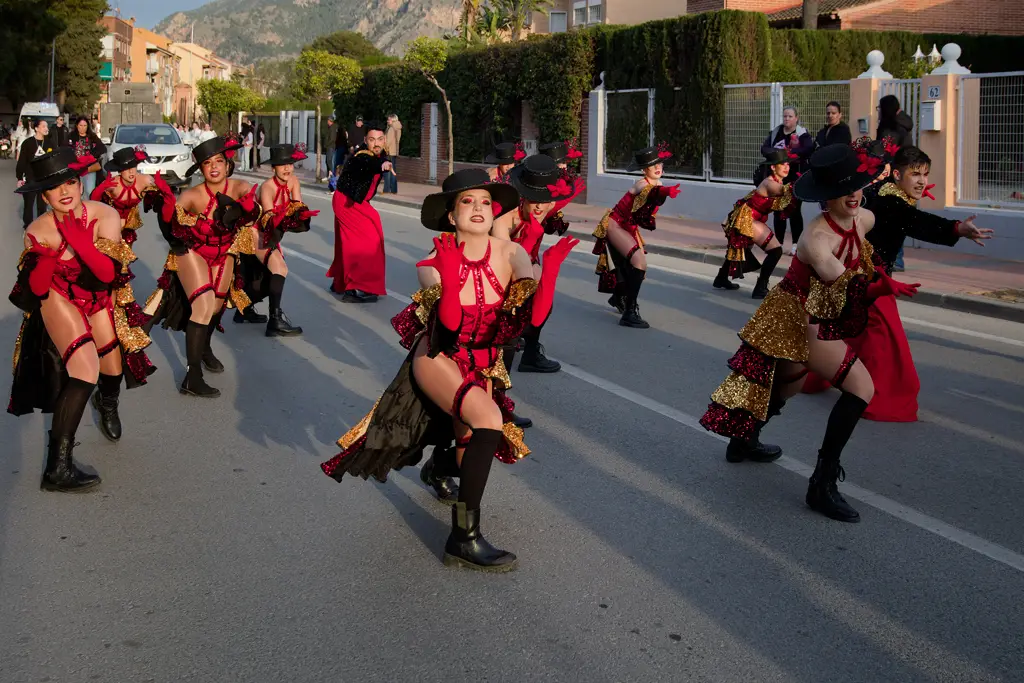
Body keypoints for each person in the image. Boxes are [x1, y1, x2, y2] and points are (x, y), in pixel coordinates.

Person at [320, 168, 578, 571]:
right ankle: (464, 537)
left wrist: (551, 270)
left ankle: (437, 467)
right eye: (467, 202)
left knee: (468, 454)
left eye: (485, 202)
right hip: (439, 355)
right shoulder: (431, 262)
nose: (478, 208)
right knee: (489, 421)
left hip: (485, 362)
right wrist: (452, 272)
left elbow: (528, 322)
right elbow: (452, 327)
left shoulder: (512, 253)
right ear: (451, 216)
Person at [699, 144, 923, 523]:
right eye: (843, 189)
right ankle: (821, 484)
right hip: (800, 316)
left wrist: (945, 223)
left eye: (857, 185)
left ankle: (742, 441)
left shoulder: (863, 218)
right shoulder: (816, 240)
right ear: (825, 196)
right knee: (861, 389)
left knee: (789, 386)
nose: (853, 195)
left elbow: (899, 224)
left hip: (808, 311)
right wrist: (880, 286)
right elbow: (848, 289)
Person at [801, 145, 993, 422]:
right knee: (886, 345)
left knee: (848, 333)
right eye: (915, 174)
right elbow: (915, 221)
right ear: (896, 175)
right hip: (867, 280)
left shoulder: (884, 194)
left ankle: (820, 374)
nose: (922, 181)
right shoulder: (891, 201)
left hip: (861, 274)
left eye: (925, 174)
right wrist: (956, 229)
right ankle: (876, 398)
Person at [10, 147, 157, 490]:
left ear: (80, 183)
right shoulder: (38, 230)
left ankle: (107, 403)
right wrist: (46, 259)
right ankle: (57, 467)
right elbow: (34, 289)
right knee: (84, 369)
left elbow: (107, 274)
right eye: (54, 188)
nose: (65, 192)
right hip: (60, 298)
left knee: (113, 370)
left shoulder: (105, 214)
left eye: (71, 182)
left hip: (100, 297)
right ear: (44, 196)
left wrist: (80, 241)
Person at [142, 136, 262, 398]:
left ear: (228, 164)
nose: (214, 167)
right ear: (201, 169)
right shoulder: (192, 195)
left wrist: (249, 208)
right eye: (208, 163)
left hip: (225, 252)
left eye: (219, 161)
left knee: (217, 307)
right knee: (203, 303)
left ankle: (204, 348)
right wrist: (165, 206)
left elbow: (254, 207)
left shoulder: (241, 186)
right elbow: (170, 225)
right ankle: (192, 377)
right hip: (192, 252)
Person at [492, 152, 584, 375]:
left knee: (540, 286)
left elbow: (537, 315)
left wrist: (551, 268)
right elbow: (505, 264)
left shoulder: (543, 206)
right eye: (534, 199)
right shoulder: (503, 217)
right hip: (497, 272)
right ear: (523, 195)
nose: (541, 208)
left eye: (547, 200)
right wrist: (530, 238)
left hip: (526, 266)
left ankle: (531, 353)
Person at [592, 145, 681, 329]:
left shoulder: (658, 184)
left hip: (629, 227)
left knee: (632, 268)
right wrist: (666, 192)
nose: (658, 168)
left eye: (659, 164)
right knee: (639, 263)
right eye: (652, 165)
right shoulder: (643, 184)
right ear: (644, 170)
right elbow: (649, 193)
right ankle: (629, 313)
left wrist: (664, 190)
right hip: (615, 224)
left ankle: (619, 297)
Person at [239, 143, 319, 336]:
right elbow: (267, 220)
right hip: (255, 232)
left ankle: (243, 310)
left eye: (290, 163)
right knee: (279, 269)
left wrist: (301, 215)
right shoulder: (267, 187)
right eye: (282, 164)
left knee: (264, 281)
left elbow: (297, 207)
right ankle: (275, 321)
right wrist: (286, 216)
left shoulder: (293, 181)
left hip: (272, 235)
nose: (287, 168)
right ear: (273, 167)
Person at [712, 149, 791, 298]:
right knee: (775, 251)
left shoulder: (776, 181)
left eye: (788, 163)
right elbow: (785, 192)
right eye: (782, 164)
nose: (787, 167)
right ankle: (760, 287)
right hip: (748, 219)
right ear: (773, 167)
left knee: (740, 250)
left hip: (752, 218)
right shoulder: (770, 183)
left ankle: (721, 278)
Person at [328, 121, 390, 303]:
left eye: (380, 139)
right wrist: (381, 166)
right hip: (347, 202)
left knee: (369, 236)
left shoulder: (378, 153)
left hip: (357, 202)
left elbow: (377, 160)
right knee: (364, 244)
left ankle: (340, 282)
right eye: (372, 140)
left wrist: (383, 162)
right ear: (365, 140)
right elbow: (365, 165)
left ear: (384, 140)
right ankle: (356, 287)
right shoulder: (362, 156)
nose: (376, 143)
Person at [761, 106, 813, 255]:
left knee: (795, 211)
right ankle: (778, 242)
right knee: (778, 210)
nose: (787, 119)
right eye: (785, 116)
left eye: (790, 116)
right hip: (778, 179)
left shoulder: (802, 134)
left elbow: (808, 149)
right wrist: (777, 154)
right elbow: (764, 148)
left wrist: (790, 153)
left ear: (796, 118)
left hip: (795, 178)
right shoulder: (776, 132)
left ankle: (796, 244)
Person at [876, 94, 916, 270]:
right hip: (905, 176)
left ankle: (895, 259)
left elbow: (883, 153)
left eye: (879, 108)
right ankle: (896, 258)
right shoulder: (904, 126)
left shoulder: (889, 129)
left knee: (890, 219)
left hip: (892, 178)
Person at [16, 119, 52, 228]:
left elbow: (54, 158)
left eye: (47, 126)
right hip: (30, 176)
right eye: (43, 126)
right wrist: (19, 177)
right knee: (29, 202)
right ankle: (28, 224)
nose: (46, 129)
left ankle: (41, 224)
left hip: (44, 177)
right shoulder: (28, 143)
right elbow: (22, 161)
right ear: (36, 128)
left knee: (42, 203)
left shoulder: (50, 142)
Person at [69, 116, 107, 199]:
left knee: (90, 191)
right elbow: (64, 148)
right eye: (80, 125)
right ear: (76, 126)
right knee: (77, 192)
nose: (82, 128)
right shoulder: (71, 136)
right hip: (76, 169)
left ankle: (89, 209)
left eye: (84, 126)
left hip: (89, 168)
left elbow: (102, 148)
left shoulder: (92, 136)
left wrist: (91, 155)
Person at [382, 113, 402, 193]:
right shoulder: (397, 127)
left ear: (393, 120)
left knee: (387, 171)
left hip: (389, 151)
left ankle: (386, 189)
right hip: (393, 151)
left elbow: (388, 141)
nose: (387, 121)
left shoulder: (391, 129)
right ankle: (393, 189)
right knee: (393, 170)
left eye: (389, 119)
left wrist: (384, 148)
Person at [323, 115, 337, 179]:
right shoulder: (330, 127)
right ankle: (328, 175)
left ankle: (331, 175)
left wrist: (326, 145)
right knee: (327, 161)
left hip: (331, 147)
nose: (327, 122)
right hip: (329, 147)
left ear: (330, 121)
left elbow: (332, 139)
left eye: (328, 120)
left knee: (329, 161)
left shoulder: (332, 128)